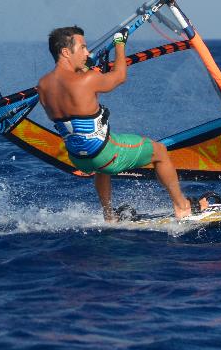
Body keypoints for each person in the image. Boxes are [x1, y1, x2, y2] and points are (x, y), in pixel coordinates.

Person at [37, 25, 200, 221]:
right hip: (105, 153)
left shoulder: (43, 86)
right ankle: (182, 206)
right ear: (65, 52)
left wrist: (86, 69)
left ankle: (108, 215)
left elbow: (72, 100)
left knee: (100, 167)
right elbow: (119, 77)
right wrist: (120, 45)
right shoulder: (87, 79)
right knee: (159, 151)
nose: (87, 52)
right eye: (82, 48)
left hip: (78, 158)